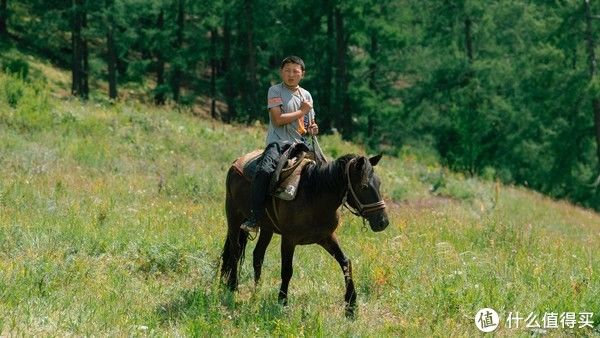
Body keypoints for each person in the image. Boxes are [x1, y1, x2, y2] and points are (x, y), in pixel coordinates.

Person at [240, 55, 319, 234]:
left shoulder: (306, 95)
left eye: (295, 71)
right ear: (281, 72)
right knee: (264, 171)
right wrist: (302, 111)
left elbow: (309, 123)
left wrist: (313, 127)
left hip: (302, 145)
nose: (291, 75)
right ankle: (254, 217)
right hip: (278, 144)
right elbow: (277, 120)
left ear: (302, 74)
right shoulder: (275, 91)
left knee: (326, 173)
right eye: (287, 71)